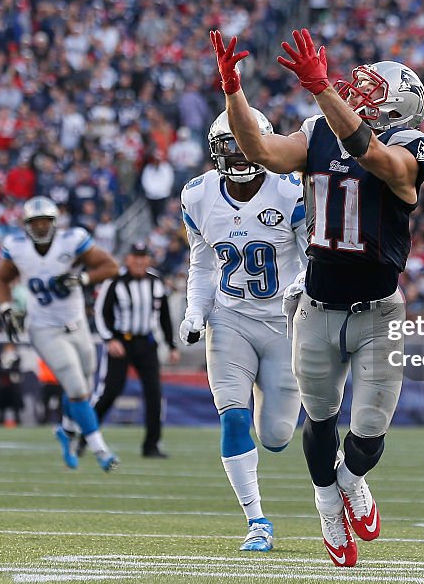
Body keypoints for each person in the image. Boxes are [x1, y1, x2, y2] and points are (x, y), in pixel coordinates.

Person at [211, 29, 424, 567]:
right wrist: (232, 91)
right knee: (319, 419)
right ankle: (326, 506)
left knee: (367, 433)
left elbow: (381, 162)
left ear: (397, 104)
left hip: (379, 313)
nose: (356, 89)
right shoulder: (318, 130)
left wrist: (321, 91)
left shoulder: (414, 146)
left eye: (370, 87)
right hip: (316, 307)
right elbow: (261, 151)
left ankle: (350, 481)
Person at [178, 109, 307, 552]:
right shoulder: (197, 196)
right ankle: (257, 521)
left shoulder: (290, 190)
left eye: (242, 142)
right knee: (231, 413)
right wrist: (196, 311)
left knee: (275, 437)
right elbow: (202, 262)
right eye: (226, 145)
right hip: (230, 319)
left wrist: (302, 290)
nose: (235, 154)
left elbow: (312, 259)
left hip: (283, 322)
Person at [0, 196, 120, 471]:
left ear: (54, 222)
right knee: (75, 387)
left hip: (77, 324)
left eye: (45, 221)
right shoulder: (17, 248)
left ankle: (66, 429)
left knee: (83, 389)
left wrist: (83, 278)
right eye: (35, 222)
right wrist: (6, 307)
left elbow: (111, 266)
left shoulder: (72, 240)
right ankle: (101, 451)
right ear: (26, 225)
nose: (40, 227)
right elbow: (1, 277)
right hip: (43, 328)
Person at [94, 243, 178, 458]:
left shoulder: (156, 282)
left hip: (146, 343)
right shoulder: (115, 282)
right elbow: (101, 313)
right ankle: (87, 436)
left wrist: (171, 344)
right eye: (136, 257)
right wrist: (110, 339)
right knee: (110, 392)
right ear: (128, 259)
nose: (140, 261)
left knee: (154, 395)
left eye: (143, 257)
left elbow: (164, 316)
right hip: (122, 343)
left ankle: (151, 445)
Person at [0, 342, 24, 426]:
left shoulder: (16, 358)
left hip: (13, 383)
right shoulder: (1, 358)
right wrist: (5, 370)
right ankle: (1, 419)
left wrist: (7, 369)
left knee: (15, 403)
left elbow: (16, 369)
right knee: (2, 404)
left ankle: (17, 419)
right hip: (4, 383)